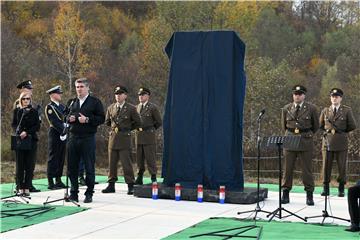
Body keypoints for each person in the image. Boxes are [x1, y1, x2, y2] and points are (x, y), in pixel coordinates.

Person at [66, 78, 105, 203]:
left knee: (89, 166)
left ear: (87, 88)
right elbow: (64, 115)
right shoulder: (72, 102)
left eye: (81, 87)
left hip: (87, 138)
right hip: (73, 137)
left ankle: (89, 193)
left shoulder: (95, 102)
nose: (79, 89)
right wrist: (69, 118)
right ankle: (73, 192)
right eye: (77, 87)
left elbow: (101, 118)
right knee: (72, 167)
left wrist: (87, 120)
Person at [281, 85, 319, 206]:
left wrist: (307, 135)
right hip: (290, 139)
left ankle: (309, 195)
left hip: (305, 140)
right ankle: (285, 193)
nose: (297, 96)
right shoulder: (286, 108)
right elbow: (284, 126)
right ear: (293, 95)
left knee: (307, 170)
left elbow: (316, 126)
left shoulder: (311, 108)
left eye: (300, 94)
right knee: (287, 169)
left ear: (304, 95)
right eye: (295, 94)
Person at [102, 86, 141, 195]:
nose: (118, 96)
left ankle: (130, 185)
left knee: (126, 163)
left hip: (125, 138)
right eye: (116, 94)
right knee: (112, 163)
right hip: (113, 138)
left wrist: (127, 129)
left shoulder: (131, 108)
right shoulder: (111, 108)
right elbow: (107, 122)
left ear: (125, 95)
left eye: (120, 94)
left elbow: (138, 122)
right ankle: (111, 184)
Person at [319, 88, 357, 197]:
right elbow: (320, 125)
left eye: (336, 96)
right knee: (326, 165)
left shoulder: (346, 110)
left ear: (341, 98)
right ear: (330, 98)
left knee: (342, 166)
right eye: (332, 96)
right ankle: (326, 187)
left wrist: (342, 133)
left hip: (341, 142)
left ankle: (341, 188)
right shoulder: (325, 111)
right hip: (327, 142)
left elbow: (352, 125)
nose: (334, 98)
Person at [14, 80, 42, 193]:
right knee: (20, 164)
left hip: (31, 139)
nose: (30, 91)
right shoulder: (17, 106)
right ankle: (19, 185)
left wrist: (28, 131)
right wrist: (21, 132)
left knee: (30, 164)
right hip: (20, 139)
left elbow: (37, 125)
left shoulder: (33, 108)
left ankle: (28, 185)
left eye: (30, 89)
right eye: (28, 89)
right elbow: (15, 123)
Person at [135, 87, 162, 185]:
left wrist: (150, 129)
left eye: (143, 95)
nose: (141, 96)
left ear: (148, 96)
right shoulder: (137, 107)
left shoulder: (152, 107)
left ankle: (153, 176)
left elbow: (158, 122)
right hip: (138, 136)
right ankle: (139, 176)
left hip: (148, 136)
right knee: (139, 158)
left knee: (150, 157)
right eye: (139, 95)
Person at [44, 85, 67, 190]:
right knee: (53, 157)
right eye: (58, 93)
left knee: (61, 157)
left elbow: (66, 119)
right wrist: (63, 130)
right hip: (55, 133)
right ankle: (50, 181)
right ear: (52, 95)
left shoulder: (62, 107)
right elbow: (54, 121)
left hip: (63, 133)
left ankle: (58, 179)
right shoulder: (50, 107)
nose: (60, 95)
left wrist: (66, 130)